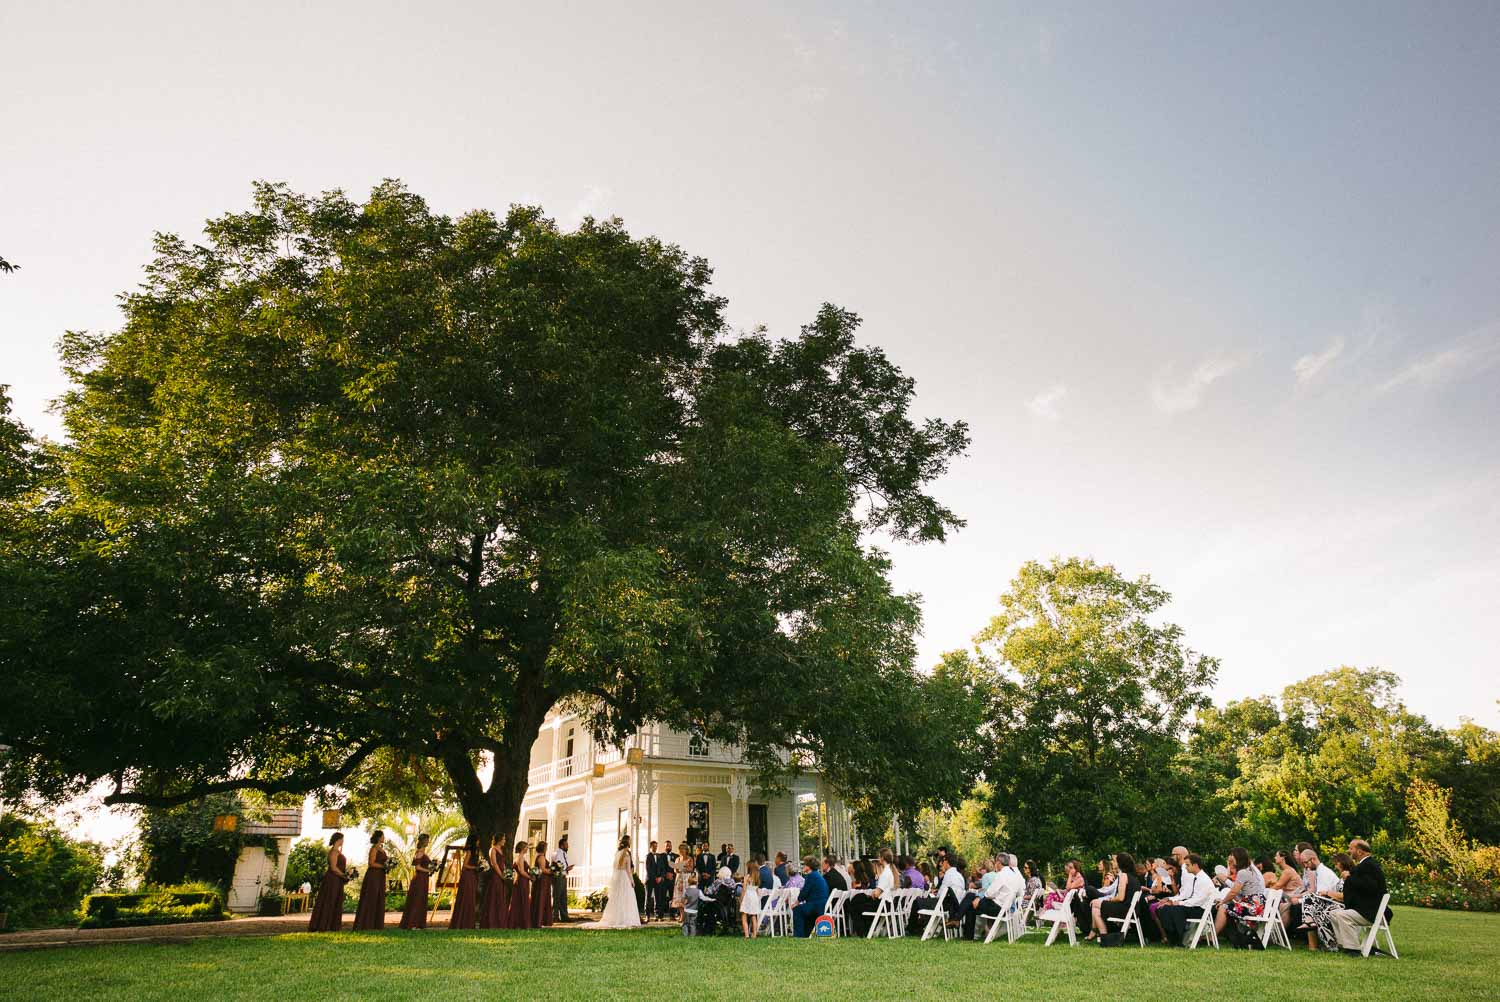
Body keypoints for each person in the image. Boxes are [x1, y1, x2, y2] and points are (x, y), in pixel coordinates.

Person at [1328, 838, 1391, 953]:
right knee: (1333, 913)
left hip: (1373, 912)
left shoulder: (1369, 865)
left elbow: (1370, 886)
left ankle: (1353, 949)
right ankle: (1344, 945)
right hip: (1365, 910)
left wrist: (1349, 877)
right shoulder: (1364, 865)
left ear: (1360, 851)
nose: (1349, 851)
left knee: (1342, 915)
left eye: (1351, 848)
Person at [583, 835, 645, 929]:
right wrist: (632, 881)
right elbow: (628, 870)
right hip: (624, 877)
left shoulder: (617, 852)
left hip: (617, 877)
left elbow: (615, 867)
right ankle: (625, 918)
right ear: (628, 842)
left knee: (617, 898)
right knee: (626, 898)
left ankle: (616, 917)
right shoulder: (626, 853)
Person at [1155, 853, 1216, 945]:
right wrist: (1173, 900)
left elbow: (1198, 900)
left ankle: (1179, 939)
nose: (1185, 867)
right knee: (1163, 909)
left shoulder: (1203, 879)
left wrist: (1178, 903)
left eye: (1187, 865)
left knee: (1174, 910)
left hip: (1201, 909)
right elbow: (1188, 896)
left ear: (1195, 865)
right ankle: (1174, 937)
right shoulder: (1197, 878)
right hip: (1195, 906)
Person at [963, 850, 1023, 940]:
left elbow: (988, 893)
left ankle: (969, 936)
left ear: (998, 863)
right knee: (971, 897)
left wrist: (981, 898)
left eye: (995, 863)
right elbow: (1019, 893)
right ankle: (959, 920)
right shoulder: (1014, 875)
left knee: (970, 904)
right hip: (1006, 908)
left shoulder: (1001, 874)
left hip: (996, 907)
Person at [1292, 849, 1345, 950]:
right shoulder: (1318, 872)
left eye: (1306, 863)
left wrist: (1299, 901)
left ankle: (1314, 938)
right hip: (1329, 902)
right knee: (1306, 906)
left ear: (1313, 859)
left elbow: (1320, 896)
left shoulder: (1324, 873)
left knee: (1307, 903)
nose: (1305, 866)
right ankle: (1311, 935)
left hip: (1336, 904)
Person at [909, 852, 969, 936]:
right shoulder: (959, 875)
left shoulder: (948, 874)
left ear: (946, 862)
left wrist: (936, 894)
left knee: (917, 901)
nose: (941, 863)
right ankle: (919, 926)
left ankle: (912, 928)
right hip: (954, 906)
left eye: (943, 861)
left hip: (943, 904)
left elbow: (941, 895)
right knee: (924, 902)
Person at [1214, 846, 1267, 943]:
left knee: (1223, 907)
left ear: (1238, 857)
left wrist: (1222, 901)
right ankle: (1236, 937)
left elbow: (1234, 892)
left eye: (1232, 856)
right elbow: (1239, 892)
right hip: (1257, 905)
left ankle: (1212, 936)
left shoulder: (1243, 872)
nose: (1230, 858)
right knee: (1227, 906)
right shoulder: (1248, 870)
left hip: (1254, 907)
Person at [1092, 852, 1141, 942]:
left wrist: (1110, 899)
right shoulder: (1133, 876)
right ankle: (1104, 938)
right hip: (1132, 909)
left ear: (1120, 863)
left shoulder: (1123, 876)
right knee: (1095, 909)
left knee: (1095, 903)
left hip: (1124, 909)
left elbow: (1120, 898)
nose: (1112, 863)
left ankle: (1102, 935)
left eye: (1114, 861)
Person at [307, 832, 349, 932]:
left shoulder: (338, 852)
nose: (343, 841)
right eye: (342, 839)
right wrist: (344, 875)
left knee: (335, 901)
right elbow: (333, 868)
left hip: (338, 880)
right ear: (338, 840)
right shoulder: (334, 852)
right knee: (329, 901)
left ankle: (332, 925)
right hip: (332, 880)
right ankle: (323, 924)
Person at [351, 829, 389, 930]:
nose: (384, 838)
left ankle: (376, 924)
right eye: (383, 836)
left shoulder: (382, 849)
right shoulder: (374, 849)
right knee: (371, 896)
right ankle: (366, 923)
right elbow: (371, 863)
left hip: (381, 875)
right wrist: (383, 866)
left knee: (379, 897)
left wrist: (388, 866)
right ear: (378, 837)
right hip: (373, 875)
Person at [399, 833, 433, 930]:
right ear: (423, 841)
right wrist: (428, 870)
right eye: (427, 840)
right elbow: (417, 867)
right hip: (420, 879)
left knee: (421, 900)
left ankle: (418, 923)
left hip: (424, 879)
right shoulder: (419, 852)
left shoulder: (423, 852)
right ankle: (412, 923)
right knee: (417, 900)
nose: (428, 842)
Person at [793, 856, 830, 937]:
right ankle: (805, 934)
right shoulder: (818, 875)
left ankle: (799, 936)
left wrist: (796, 902)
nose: (803, 866)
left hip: (816, 905)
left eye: (805, 864)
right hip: (821, 904)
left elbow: (804, 892)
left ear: (809, 866)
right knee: (805, 911)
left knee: (797, 909)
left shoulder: (810, 876)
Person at [449, 837, 481, 929]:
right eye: (478, 840)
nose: (479, 842)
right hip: (468, 876)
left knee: (471, 898)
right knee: (467, 897)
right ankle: (462, 922)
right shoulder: (469, 852)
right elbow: (465, 866)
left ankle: (469, 922)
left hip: (473, 876)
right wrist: (475, 868)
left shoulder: (477, 853)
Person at [480, 833, 509, 929]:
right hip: (495, 877)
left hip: (501, 876)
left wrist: (505, 873)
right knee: (494, 897)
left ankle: (500, 921)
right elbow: (494, 863)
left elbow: (502, 863)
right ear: (499, 840)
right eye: (503, 839)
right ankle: (491, 922)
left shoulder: (501, 850)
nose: (505, 841)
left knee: (500, 898)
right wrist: (501, 875)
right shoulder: (492, 849)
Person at [507, 840, 532, 929]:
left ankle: (518, 922)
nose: (527, 849)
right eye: (526, 847)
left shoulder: (520, 857)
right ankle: (521, 923)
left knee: (519, 901)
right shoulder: (520, 857)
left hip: (522, 881)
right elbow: (521, 871)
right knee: (522, 901)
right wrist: (530, 877)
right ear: (522, 848)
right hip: (521, 881)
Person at [532, 841, 553, 927]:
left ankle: (542, 920)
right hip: (543, 881)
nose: (547, 849)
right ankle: (539, 921)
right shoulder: (541, 857)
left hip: (544, 880)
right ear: (543, 848)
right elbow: (543, 869)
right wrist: (552, 871)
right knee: (541, 899)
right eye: (546, 847)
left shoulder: (539, 856)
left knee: (543, 899)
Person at [553, 835, 573, 922]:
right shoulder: (558, 853)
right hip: (559, 876)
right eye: (566, 844)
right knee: (558, 896)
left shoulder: (563, 853)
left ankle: (564, 916)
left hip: (563, 876)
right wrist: (566, 868)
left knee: (563, 897)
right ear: (562, 845)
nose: (568, 846)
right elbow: (558, 864)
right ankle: (555, 916)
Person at [645, 840, 667, 920]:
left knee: (658, 898)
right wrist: (655, 878)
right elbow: (648, 869)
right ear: (650, 847)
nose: (655, 848)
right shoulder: (648, 856)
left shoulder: (659, 856)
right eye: (653, 846)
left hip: (659, 880)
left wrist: (660, 877)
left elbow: (663, 868)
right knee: (648, 897)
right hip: (650, 880)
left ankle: (658, 915)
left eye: (656, 846)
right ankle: (647, 915)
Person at [739, 864, 762, 938]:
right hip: (754, 896)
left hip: (747, 896)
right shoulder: (757, 878)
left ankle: (746, 935)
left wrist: (741, 898)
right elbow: (757, 890)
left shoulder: (747, 877)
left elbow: (744, 889)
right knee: (753, 915)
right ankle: (755, 934)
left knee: (744, 915)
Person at [681, 872, 702, 936]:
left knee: (685, 924)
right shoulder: (699, 891)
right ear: (697, 883)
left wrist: (684, 902)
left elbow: (683, 900)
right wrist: (711, 899)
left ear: (688, 882)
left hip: (687, 910)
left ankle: (685, 935)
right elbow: (703, 898)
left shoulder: (686, 890)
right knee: (693, 924)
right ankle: (692, 935)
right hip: (695, 910)